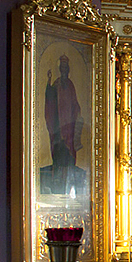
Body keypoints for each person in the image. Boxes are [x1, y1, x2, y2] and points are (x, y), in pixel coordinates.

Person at [43, 54, 84, 194]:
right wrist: (48, 83)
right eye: (62, 67)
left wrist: (76, 115)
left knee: (69, 153)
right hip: (59, 125)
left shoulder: (70, 85)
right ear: (60, 69)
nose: (64, 69)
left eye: (66, 67)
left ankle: (69, 181)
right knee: (59, 152)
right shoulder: (57, 83)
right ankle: (57, 182)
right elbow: (51, 100)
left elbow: (75, 104)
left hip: (69, 126)